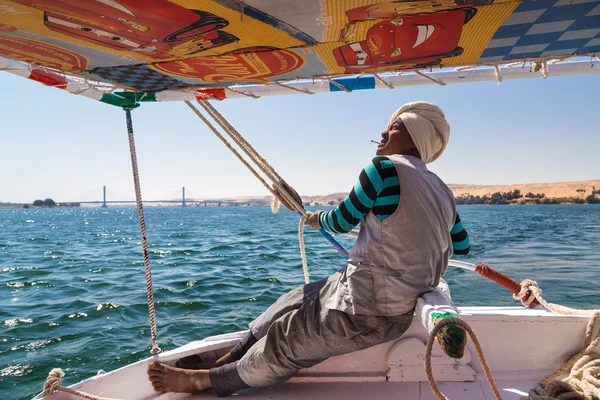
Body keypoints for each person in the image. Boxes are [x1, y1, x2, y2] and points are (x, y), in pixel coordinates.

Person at [147, 101, 470, 396]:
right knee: (293, 300)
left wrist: (316, 219)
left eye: (394, 127)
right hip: (379, 299)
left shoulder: (382, 169)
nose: (383, 133)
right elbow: (462, 245)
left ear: (415, 135)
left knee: (286, 340)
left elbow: (342, 220)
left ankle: (205, 380)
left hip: (367, 308)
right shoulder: (444, 191)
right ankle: (230, 357)